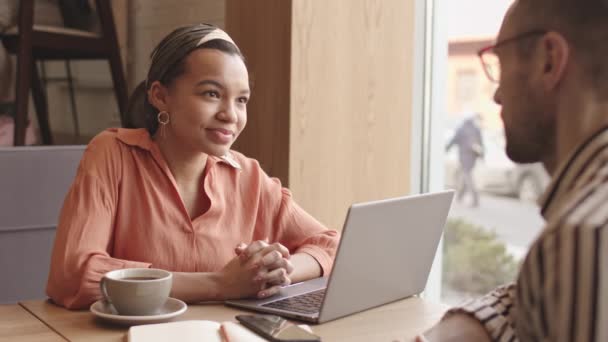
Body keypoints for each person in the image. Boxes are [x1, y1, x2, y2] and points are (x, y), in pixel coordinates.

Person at [46, 24, 340, 309]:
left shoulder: (248, 175)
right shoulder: (112, 154)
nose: (230, 115)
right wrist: (220, 284)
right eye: (212, 93)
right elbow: (74, 273)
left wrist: (274, 271)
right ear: (160, 96)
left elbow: (333, 245)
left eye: (241, 100)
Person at [420, 0, 608, 341]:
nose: (496, 95)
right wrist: (471, 324)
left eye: (499, 64)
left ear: (549, 61)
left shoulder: (585, 235)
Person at [445, 114, 484, 207]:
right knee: (465, 176)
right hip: (473, 158)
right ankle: (460, 196)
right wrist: (482, 156)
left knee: (467, 177)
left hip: (464, 157)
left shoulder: (461, 129)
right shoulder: (476, 129)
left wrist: (445, 149)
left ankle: (475, 198)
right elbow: (481, 143)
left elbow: (453, 140)